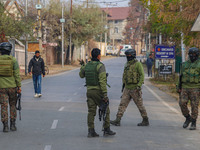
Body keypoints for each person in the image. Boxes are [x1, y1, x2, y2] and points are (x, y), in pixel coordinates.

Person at [79, 48, 116, 137]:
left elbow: (81, 75)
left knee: (91, 112)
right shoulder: (100, 66)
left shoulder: (87, 65)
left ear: (92, 55)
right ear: (99, 56)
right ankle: (106, 129)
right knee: (106, 110)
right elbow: (102, 81)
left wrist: (82, 66)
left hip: (89, 91)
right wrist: (105, 94)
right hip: (98, 91)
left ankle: (91, 131)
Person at [110, 49, 149, 126]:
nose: (128, 57)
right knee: (122, 104)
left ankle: (145, 120)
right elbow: (124, 76)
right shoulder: (126, 64)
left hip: (135, 89)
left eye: (129, 55)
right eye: (127, 55)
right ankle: (118, 120)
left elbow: (142, 75)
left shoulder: (138, 64)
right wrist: (123, 87)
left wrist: (139, 85)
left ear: (133, 55)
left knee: (140, 105)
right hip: (127, 88)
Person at [0, 42, 21, 132]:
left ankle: (5, 126)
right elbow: (17, 74)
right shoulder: (13, 60)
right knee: (12, 105)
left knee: (4, 106)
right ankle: (12, 125)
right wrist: (19, 86)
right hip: (12, 86)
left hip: (2, 87)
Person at [177, 47, 200, 130]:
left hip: (195, 88)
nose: (192, 56)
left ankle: (193, 122)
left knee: (194, 106)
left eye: (193, 54)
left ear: (197, 54)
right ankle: (187, 117)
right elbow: (180, 76)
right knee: (182, 103)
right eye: (190, 54)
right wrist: (179, 87)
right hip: (185, 87)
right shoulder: (185, 64)